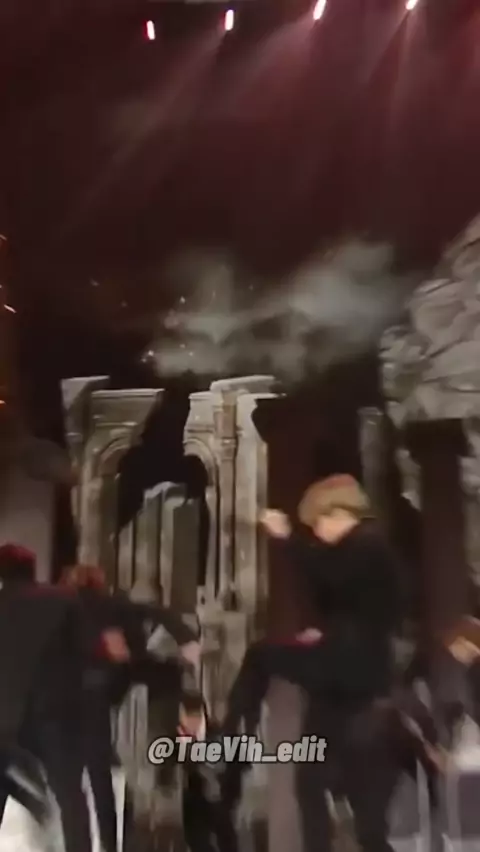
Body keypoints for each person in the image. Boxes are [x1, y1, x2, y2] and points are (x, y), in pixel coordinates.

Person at [223, 475, 403, 852]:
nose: (316, 532)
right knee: (312, 780)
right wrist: (324, 634)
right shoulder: (362, 550)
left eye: (317, 523)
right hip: (343, 675)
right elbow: (348, 600)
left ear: (337, 513)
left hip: (350, 670)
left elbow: (331, 576)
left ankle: (232, 737)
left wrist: (287, 538)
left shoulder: (368, 544)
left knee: (260, 656)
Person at [60, 563, 200, 852]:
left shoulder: (66, 605)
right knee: (99, 771)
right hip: (114, 678)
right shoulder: (113, 604)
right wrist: (186, 639)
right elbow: (155, 612)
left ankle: (89, 842)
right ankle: (110, 842)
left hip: (85, 687)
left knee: (84, 773)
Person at [0, 543, 92, 852]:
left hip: (2, 718)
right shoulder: (62, 600)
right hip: (54, 714)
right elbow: (85, 652)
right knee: (69, 796)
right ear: (33, 570)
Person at [178, 692, 241, 852]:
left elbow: (225, 766)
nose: (185, 722)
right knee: (196, 839)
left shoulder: (217, 734)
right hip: (195, 797)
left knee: (225, 837)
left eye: (189, 718)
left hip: (220, 794)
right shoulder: (178, 736)